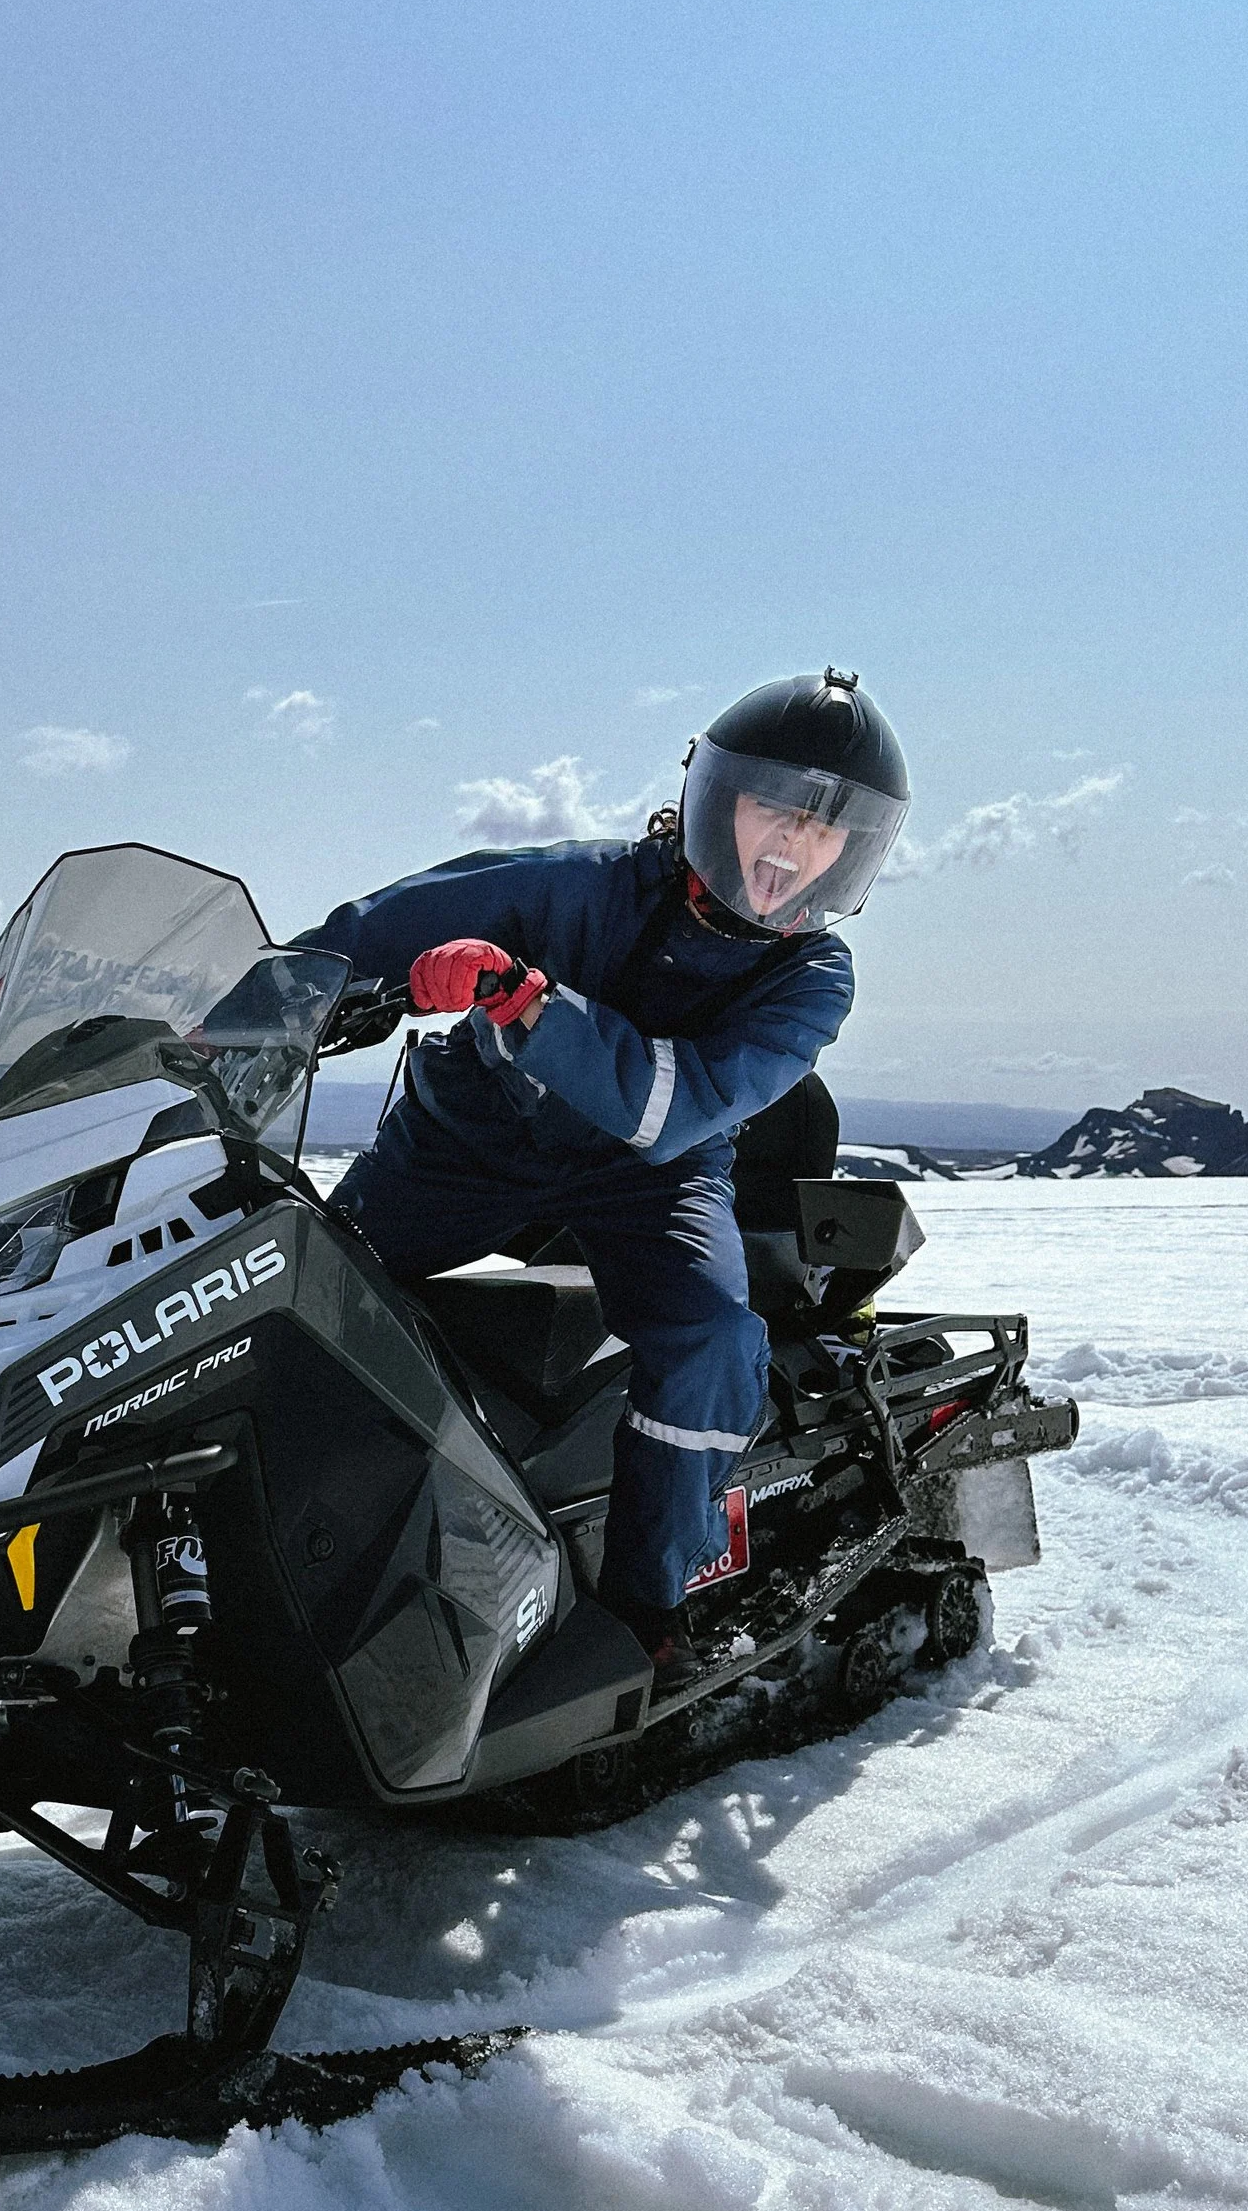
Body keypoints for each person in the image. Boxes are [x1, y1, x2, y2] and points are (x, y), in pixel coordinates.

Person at [298, 667, 910, 1687]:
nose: (790, 845)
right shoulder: (573, 885)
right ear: (717, 799)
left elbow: (673, 1108)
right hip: (462, 1150)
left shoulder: (811, 977)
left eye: (821, 828)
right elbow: (360, 933)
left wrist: (523, 999)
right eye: (773, 806)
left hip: (650, 1180)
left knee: (714, 1339)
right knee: (301, 1300)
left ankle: (648, 1603)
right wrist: (230, 1022)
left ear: (855, 850)